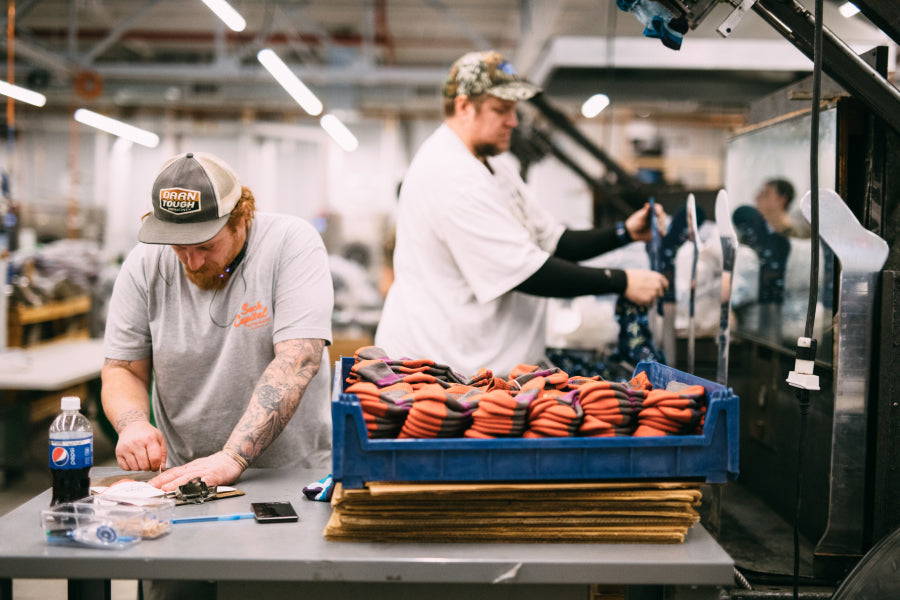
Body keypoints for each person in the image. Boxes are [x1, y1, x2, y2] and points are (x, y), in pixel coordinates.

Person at [374, 50, 669, 377]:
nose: (513, 121)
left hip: (476, 364)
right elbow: (527, 272)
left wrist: (624, 233)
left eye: (514, 110)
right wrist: (621, 281)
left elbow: (554, 241)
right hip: (436, 369)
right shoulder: (450, 174)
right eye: (501, 110)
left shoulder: (493, 166)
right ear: (463, 107)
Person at [101, 151, 334, 492]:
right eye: (178, 247)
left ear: (241, 218)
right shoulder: (143, 265)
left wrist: (233, 457)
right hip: (185, 477)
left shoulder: (290, 243)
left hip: (289, 477)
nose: (192, 263)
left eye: (206, 246)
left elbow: (298, 358)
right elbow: (123, 368)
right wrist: (133, 424)